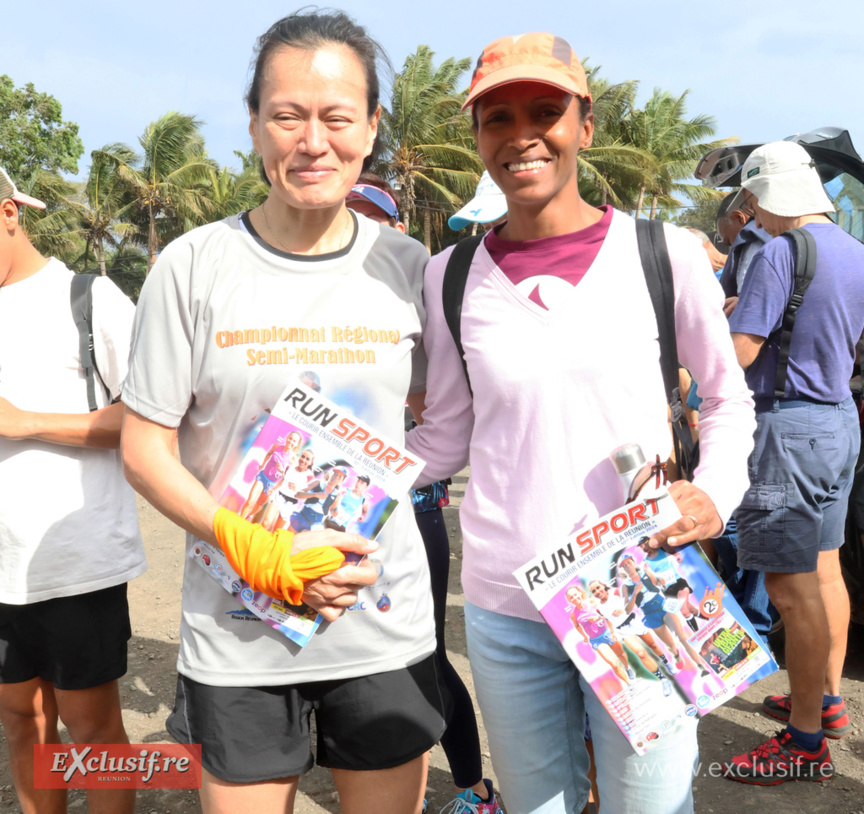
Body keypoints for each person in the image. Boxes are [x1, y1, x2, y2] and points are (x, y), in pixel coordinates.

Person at [406, 31, 755, 814]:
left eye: (546, 110)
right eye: (497, 118)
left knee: (649, 805)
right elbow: (446, 437)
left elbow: (728, 400)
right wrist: (341, 482)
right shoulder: (449, 276)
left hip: (642, 590)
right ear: (478, 138)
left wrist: (714, 495)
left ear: (585, 126)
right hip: (506, 605)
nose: (521, 134)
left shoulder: (662, 253)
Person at [119, 11, 443, 814]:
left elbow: (450, 416)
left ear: (371, 129)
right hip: (239, 631)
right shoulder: (191, 266)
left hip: (380, 619)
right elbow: (144, 446)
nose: (313, 141)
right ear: (256, 125)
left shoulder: (411, 270)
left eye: (337, 117)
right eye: (288, 115)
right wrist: (248, 543)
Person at [347, 175, 502, 813]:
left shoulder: (428, 291)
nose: (358, 228)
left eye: (371, 217)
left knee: (426, 656)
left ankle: (473, 788)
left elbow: (440, 410)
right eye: (347, 214)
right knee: (347, 658)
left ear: (400, 228)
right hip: (338, 505)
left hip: (409, 503)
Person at [0, 165, 145, 814]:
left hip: (75, 564)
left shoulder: (89, 299)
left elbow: (150, 417)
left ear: (9, 213)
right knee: (21, 724)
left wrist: (25, 421)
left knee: (93, 731)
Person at [724, 140, 864, 785]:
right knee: (826, 574)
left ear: (767, 197)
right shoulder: (853, 250)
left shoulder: (781, 253)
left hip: (787, 427)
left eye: (753, 202)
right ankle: (823, 699)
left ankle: (804, 742)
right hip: (838, 421)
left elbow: (741, 354)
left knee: (789, 589)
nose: (752, 215)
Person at [716, 189, 772, 317]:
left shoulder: (751, 239)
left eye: (730, 241)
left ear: (739, 217)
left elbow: (747, 302)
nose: (732, 248)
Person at [566, 585, 631, 686]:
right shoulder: (573, 615)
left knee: (621, 654)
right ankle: (629, 684)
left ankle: (628, 668)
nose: (574, 598)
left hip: (607, 632)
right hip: (596, 640)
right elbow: (577, 625)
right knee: (613, 664)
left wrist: (597, 618)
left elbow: (607, 615)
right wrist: (584, 636)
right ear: (569, 600)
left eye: (575, 594)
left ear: (580, 593)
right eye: (571, 597)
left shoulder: (592, 602)